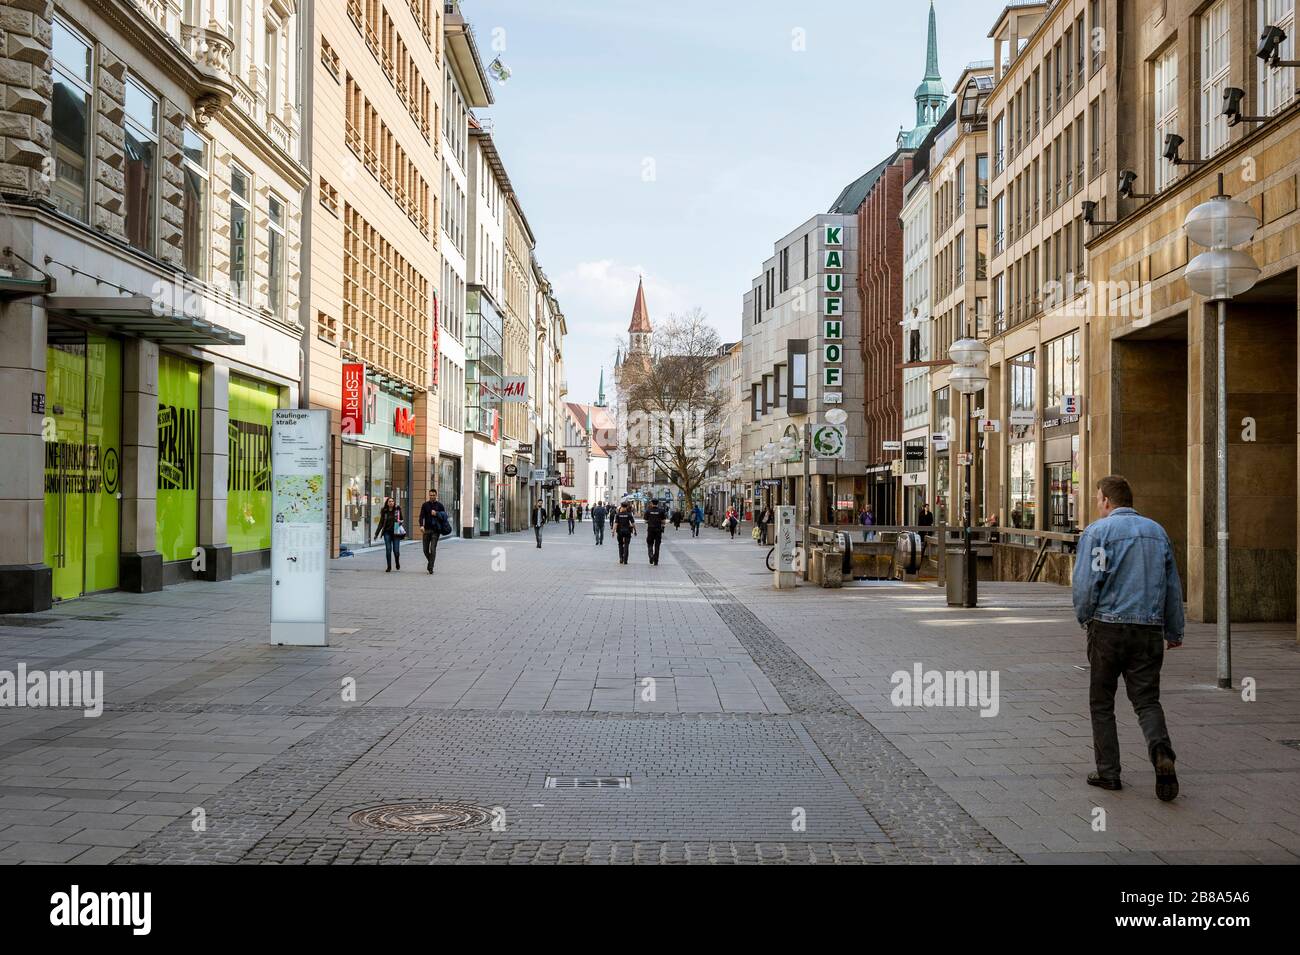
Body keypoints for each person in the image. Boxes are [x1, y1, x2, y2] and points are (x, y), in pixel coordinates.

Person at [1072, 475, 1182, 802]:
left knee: (1102, 701)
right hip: (1148, 630)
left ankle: (1108, 772)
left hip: (1107, 628)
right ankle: (1161, 752)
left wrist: (1085, 617)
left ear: (1106, 500)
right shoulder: (1157, 533)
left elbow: (1087, 584)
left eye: (1097, 499)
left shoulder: (1098, 532)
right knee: (1146, 700)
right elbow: (1172, 586)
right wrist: (1173, 630)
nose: (1097, 505)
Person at [417, 489, 447, 574]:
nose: (432, 496)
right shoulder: (425, 505)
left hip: (436, 531)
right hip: (426, 530)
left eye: (433, 495)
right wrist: (421, 526)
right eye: (430, 495)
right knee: (425, 550)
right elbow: (421, 516)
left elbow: (444, 518)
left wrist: (437, 514)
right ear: (428, 495)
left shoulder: (440, 505)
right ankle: (430, 562)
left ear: (436, 495)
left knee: (433, 549)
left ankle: (431, 567)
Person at [375, 496, 403, 572]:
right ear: (387, 503)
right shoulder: (385, 511)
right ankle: (389, 566)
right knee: (388, 550)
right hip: (387, 533)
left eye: (392, 501)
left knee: (396, 551)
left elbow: (402, 519)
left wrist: (400, 521)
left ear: (394, 503)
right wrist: (376, 533)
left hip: (396, 532)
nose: (391, 503)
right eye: (389, 501)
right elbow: (381, 523)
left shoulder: (397, 510)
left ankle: (397, 562)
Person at [644, 497, 667, 565]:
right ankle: (656, 560)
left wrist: (649, 521)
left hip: (650, 529)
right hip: (658, 530)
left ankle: (651, 556)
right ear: (658, 503)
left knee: (650, 543)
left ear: (651, 503)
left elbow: (645, 520)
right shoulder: (661, 511)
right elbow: (663, 521)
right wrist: (662, 527)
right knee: (657, 545)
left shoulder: (648, 511)